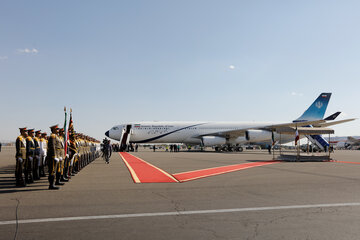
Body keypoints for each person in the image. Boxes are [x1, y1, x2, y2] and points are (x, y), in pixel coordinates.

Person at [47, 125, 60, 190]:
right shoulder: (53, 136)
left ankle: (53, 184)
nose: (58, 130)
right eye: (57, 129)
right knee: (52, 171)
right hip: (52, 157)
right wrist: (54, 156)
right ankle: (51, 185)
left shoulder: (56, 136)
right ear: (53, 130)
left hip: (56, 156)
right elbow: (52, 147)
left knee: (54, 170)